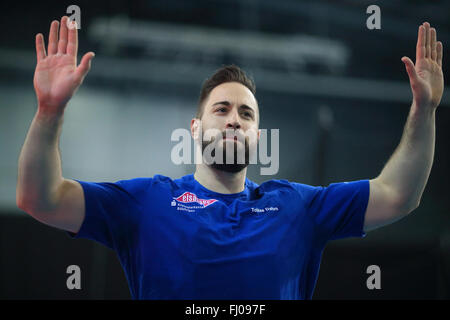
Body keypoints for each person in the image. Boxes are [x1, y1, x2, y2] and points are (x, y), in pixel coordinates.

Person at [16, 16, 444, 299]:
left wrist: (424, 110)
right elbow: (41, 199)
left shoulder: (298, 206)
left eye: (246, 113)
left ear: (257, 135)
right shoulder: (146, 202)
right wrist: (49, 111)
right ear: (196, 128)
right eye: (221, 110)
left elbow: (398, 195)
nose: (234, 120)